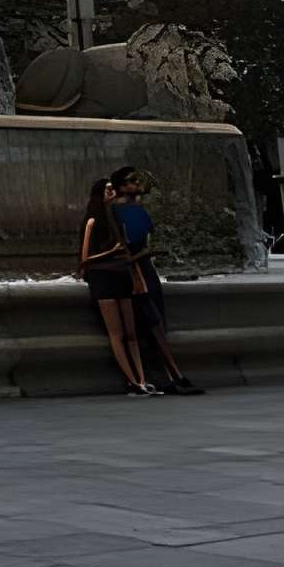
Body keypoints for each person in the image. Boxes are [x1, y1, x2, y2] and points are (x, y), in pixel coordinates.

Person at [109, 165, 203, 395]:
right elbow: (123, 246)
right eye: (132, 181)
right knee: (149, 323)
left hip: (145, 268)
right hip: (134, 269)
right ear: (121, 186)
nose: (138, 184)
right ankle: (166, 375)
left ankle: (169, 374)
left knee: (157, 319)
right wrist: (141, 255)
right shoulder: (114, 211)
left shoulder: (136, 209)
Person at [78, 177, 157, 395]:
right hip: (102, 278)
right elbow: (84, 260)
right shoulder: (92, 221)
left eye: (113, 188)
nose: (112, 192)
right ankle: (133, 381)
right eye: (107, 189)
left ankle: (142, 379)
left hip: (121, 275)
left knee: (131, 332)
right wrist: (111, 252)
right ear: (99, 194)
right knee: (117, 333)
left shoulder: (118, 219)